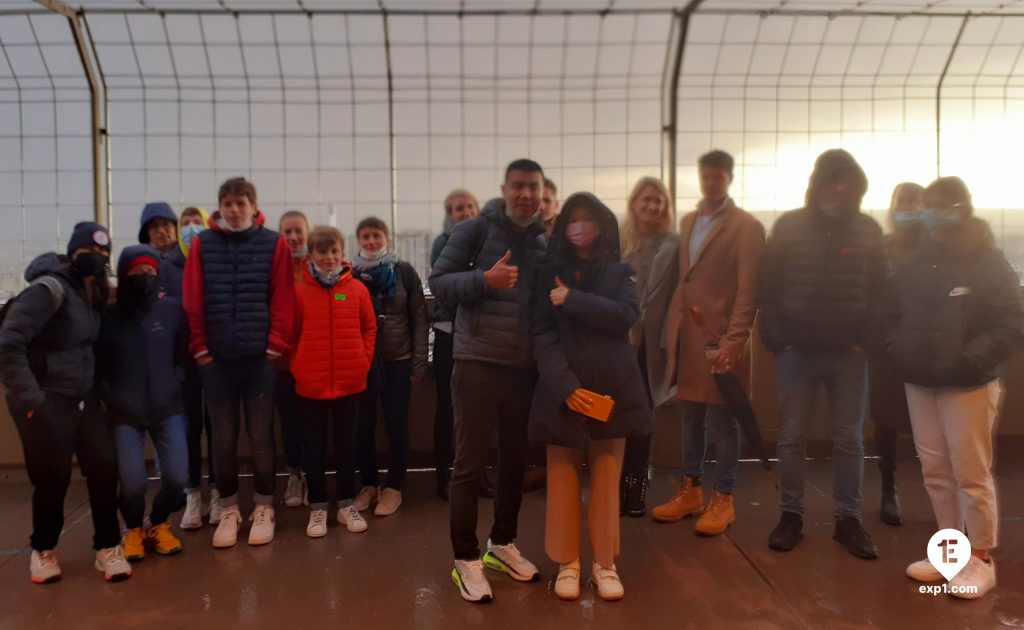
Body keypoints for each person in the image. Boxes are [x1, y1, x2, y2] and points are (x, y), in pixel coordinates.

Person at [890, 177, 1024, 599]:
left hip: (967, 384)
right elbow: (891, 312)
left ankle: (980, 559)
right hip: (921, 382)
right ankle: (950, 552)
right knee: (935, 471)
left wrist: (969, 359)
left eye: (941, 205)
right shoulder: (915, 261)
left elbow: (1011, 321)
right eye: (928, 205)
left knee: (970, 472)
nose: (932, 212)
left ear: (962, 207)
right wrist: (900, 349)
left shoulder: (987, 261)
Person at [430, 158, 548, 604]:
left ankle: (502, 543)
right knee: (470, 463)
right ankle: (465, 558)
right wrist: (486, 279)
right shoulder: (475, 230)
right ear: (504, 188)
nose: (526, 195)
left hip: (523, 369)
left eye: (533, 187)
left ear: (541, 191)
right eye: (518, 186)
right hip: (477, 361)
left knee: (515, 461)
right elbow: (438, 281)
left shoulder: (541, 240)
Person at [758, 149, 886, 559]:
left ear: (860, 190)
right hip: (796, 353)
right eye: (833, 181)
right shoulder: (790, 226)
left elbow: (882, 290)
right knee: (792, 437)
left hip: (850, 356)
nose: (841, 189)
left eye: (849, 183)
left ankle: (848, 520)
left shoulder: (868, 230)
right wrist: (777, 336)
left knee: (849, 439)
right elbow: (769, 285)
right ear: (818, 185)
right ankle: (790, 515)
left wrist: (866, 338)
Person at [531, 193, 651, 601]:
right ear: (563, 228)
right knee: (561, 475)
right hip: (562, 391)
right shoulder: (547, 273)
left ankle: (605, 562)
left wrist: (574, 300)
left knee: (605, 476)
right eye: (573, 222)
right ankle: (567, 562)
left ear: (602, 226)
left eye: (588, 221)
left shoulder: (620, 272)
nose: (580, 229)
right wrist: (565, 386)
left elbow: (624, 316)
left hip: (612, 387)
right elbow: (542, 334)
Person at [0, 222, 131, 583]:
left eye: (105, 253)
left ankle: (107, 547)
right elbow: (9, 343)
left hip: (82, 396)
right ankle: (43, 549)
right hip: (46, 396)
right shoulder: (49, 290)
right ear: (73, 253)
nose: (98, 258)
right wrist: (31, 400)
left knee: (104, 466)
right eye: (90, 251)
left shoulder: (91, 293)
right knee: (52, 477)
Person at [649, 151, 766, 536]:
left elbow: (749, 291)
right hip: (688, 338)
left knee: (723, 420)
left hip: (720, 341)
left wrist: (734, 342)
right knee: (691, 418)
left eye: (718, 177)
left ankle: (725, 498)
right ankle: (690, 490)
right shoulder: (688, 220)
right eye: (706, 176)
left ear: (729, 178)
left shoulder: (746, 227)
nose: (711, 183)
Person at [182, 177, 296, 549]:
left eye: (241, 202)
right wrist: (199, 347)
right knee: (223, 438)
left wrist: (276, 344)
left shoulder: (273, 243)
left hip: (259, 359)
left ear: (253, 206)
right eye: (228, 203)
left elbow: (282, 296)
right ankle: (229, 508)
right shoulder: (203, 244)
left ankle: (264, 506)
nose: (234, 209)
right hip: (214, 361)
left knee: (261, 437)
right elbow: (193, 297)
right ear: (220, 207)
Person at [97, 245, 187, 561]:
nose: (143, 277)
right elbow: (100, 362)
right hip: (124, 413)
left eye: (149, 272)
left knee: (177, 476)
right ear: (123, 275)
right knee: (133, 483)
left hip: (167, 407)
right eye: (135, 272)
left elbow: (182, 352)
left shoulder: (172, 310)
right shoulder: (109, 315)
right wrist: (110, 395)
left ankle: (158, 523)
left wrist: (176, 381)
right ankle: (133, 528)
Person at [291, 226, 378, 538]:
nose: (328, 258)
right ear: (311, 255)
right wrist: (298, 366)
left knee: (346, 446)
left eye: (334, 252)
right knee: (313, 447)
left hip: (349, 382)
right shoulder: (299, 291)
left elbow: (369, 328)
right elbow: (291, 334)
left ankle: (344, 504)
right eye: (322, 252)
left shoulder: (355, 290)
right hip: (310, 384)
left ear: (342, 254)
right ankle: (317, 506)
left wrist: (362, 361)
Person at [351, 217, 429, 517]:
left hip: (399, 360)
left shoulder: (404, 273)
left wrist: (419, 361)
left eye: (376, 236)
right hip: (363, 361)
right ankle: (368, 484)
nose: (371, 242)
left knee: (396, 423)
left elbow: (420, 317)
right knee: (363, 425)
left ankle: (394, 485)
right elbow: (340, 301)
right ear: (358, 240)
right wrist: (341, 293)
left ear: (387, 239)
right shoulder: (350, 277)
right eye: (365, 236)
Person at [618, 175, 676, 516]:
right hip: (618, 341)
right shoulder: (617, 242)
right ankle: (615, 482)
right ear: (634, 203)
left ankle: (637, 485)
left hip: (651, 346)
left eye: (659, 201)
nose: (653, 207)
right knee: (615, 416)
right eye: (648, 200)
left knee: (643, 417)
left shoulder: (673, 244)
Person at [869, 182, 924, 527]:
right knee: (886, 420)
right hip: (887, 349)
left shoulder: (937, 249)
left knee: (933, 426)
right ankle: (889, 490)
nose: (909, 208)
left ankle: (944, 495)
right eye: (903, 202)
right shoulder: (881, 248)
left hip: (928, 350)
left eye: (916, 203)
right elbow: (871, 295)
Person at [431, 189, 480, 500]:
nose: (463, 212)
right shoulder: (442, 243)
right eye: (457, 209)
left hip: (479, 334)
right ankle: (443, 474)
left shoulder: (490, 239)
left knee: (477, 410)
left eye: (468, 207)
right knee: (447, 408)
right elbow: (446, 287)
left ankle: (475, 474)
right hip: (449, 332)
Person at [176, 206, 220, 530]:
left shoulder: (214, 259)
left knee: (219, 428)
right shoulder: (169, 266)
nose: (191, 229)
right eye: (185, 223)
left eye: (197, 222)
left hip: (217, 357)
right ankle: (192, 494)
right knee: (190, 429)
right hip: (184, 361)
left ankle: (219, 491)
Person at [278, 210, 311, 508]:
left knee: (314, 422)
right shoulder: (273, 268)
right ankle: (294, 475)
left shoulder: (320, 265)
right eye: (286, 232)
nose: (292, 237)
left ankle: (314, 476)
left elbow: (341, 297)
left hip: (314, 359)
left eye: (297, 231)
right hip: (283, 361)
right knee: (289, 422)